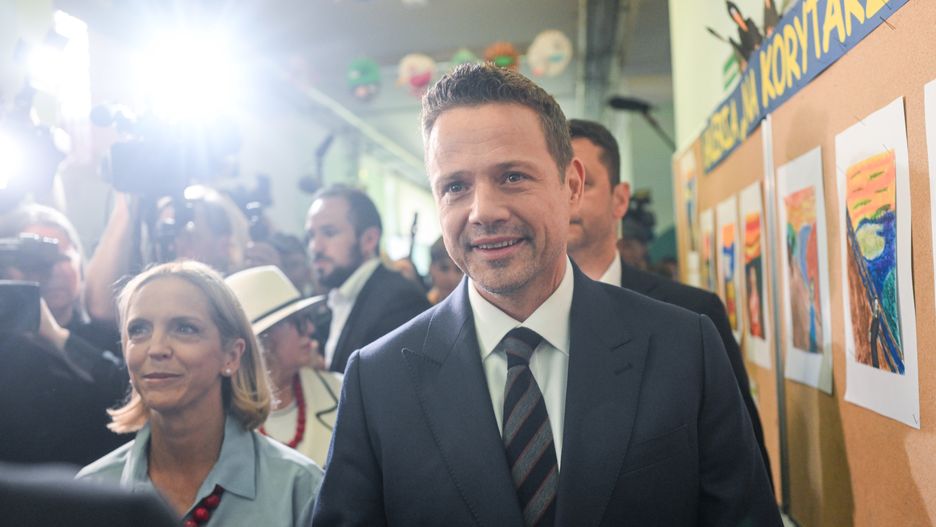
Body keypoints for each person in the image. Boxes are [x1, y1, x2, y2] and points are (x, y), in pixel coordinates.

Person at [312, 63, 779, 525]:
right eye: (455, 186)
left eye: (512, 176)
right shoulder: (379, 382)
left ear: (571, 186)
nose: (483, 211)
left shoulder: (683, 348)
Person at [566, 118, 774, 489]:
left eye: (582, 184)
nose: (568, 199)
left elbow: (743, 470)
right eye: (556, 186)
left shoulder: (692, 316)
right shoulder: (523, 326)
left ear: (620, 199)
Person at [76, 261, 322, 525]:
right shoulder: (91, 492)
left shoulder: (300, 488)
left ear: (231, 355)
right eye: (139, 330)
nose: (156, 348)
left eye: (184, 328)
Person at [0, 204, 130, 465]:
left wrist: (58, 337)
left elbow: (129, 395)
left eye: (63, 258)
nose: (52, 271)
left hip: (97, 492)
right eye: (34, 262)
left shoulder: (110, 336)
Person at [305, 185, 430, 372]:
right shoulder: (339, 297)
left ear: (369, 239)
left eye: (329, 233)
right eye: (310, 235)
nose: (315, 247)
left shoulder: (399, 301)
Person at [226, 265, 342, 467]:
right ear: (263, 338)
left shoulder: (340, 391)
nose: (310, 328)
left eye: (308, 318)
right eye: (297, 321)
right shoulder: (222, 415)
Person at [427, 235, 463, 304]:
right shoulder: (420, 306)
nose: (452, 278)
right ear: (431, 268)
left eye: (459, 270)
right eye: (444, 268)